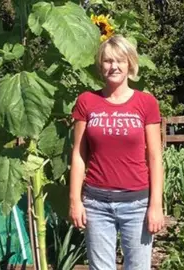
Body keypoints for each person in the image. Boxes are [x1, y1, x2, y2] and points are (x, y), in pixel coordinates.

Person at [69, 35, 165, 270]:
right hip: (96, 203)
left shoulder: (146, 103)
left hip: (137, 204)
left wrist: (156, 205)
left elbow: (154, 157)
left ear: (130, 64)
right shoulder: (87, 101)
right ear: (100, 65)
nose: (114, 66)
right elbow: (79, 155)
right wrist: (75, 201)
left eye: (120, 61)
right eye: (108, 61)